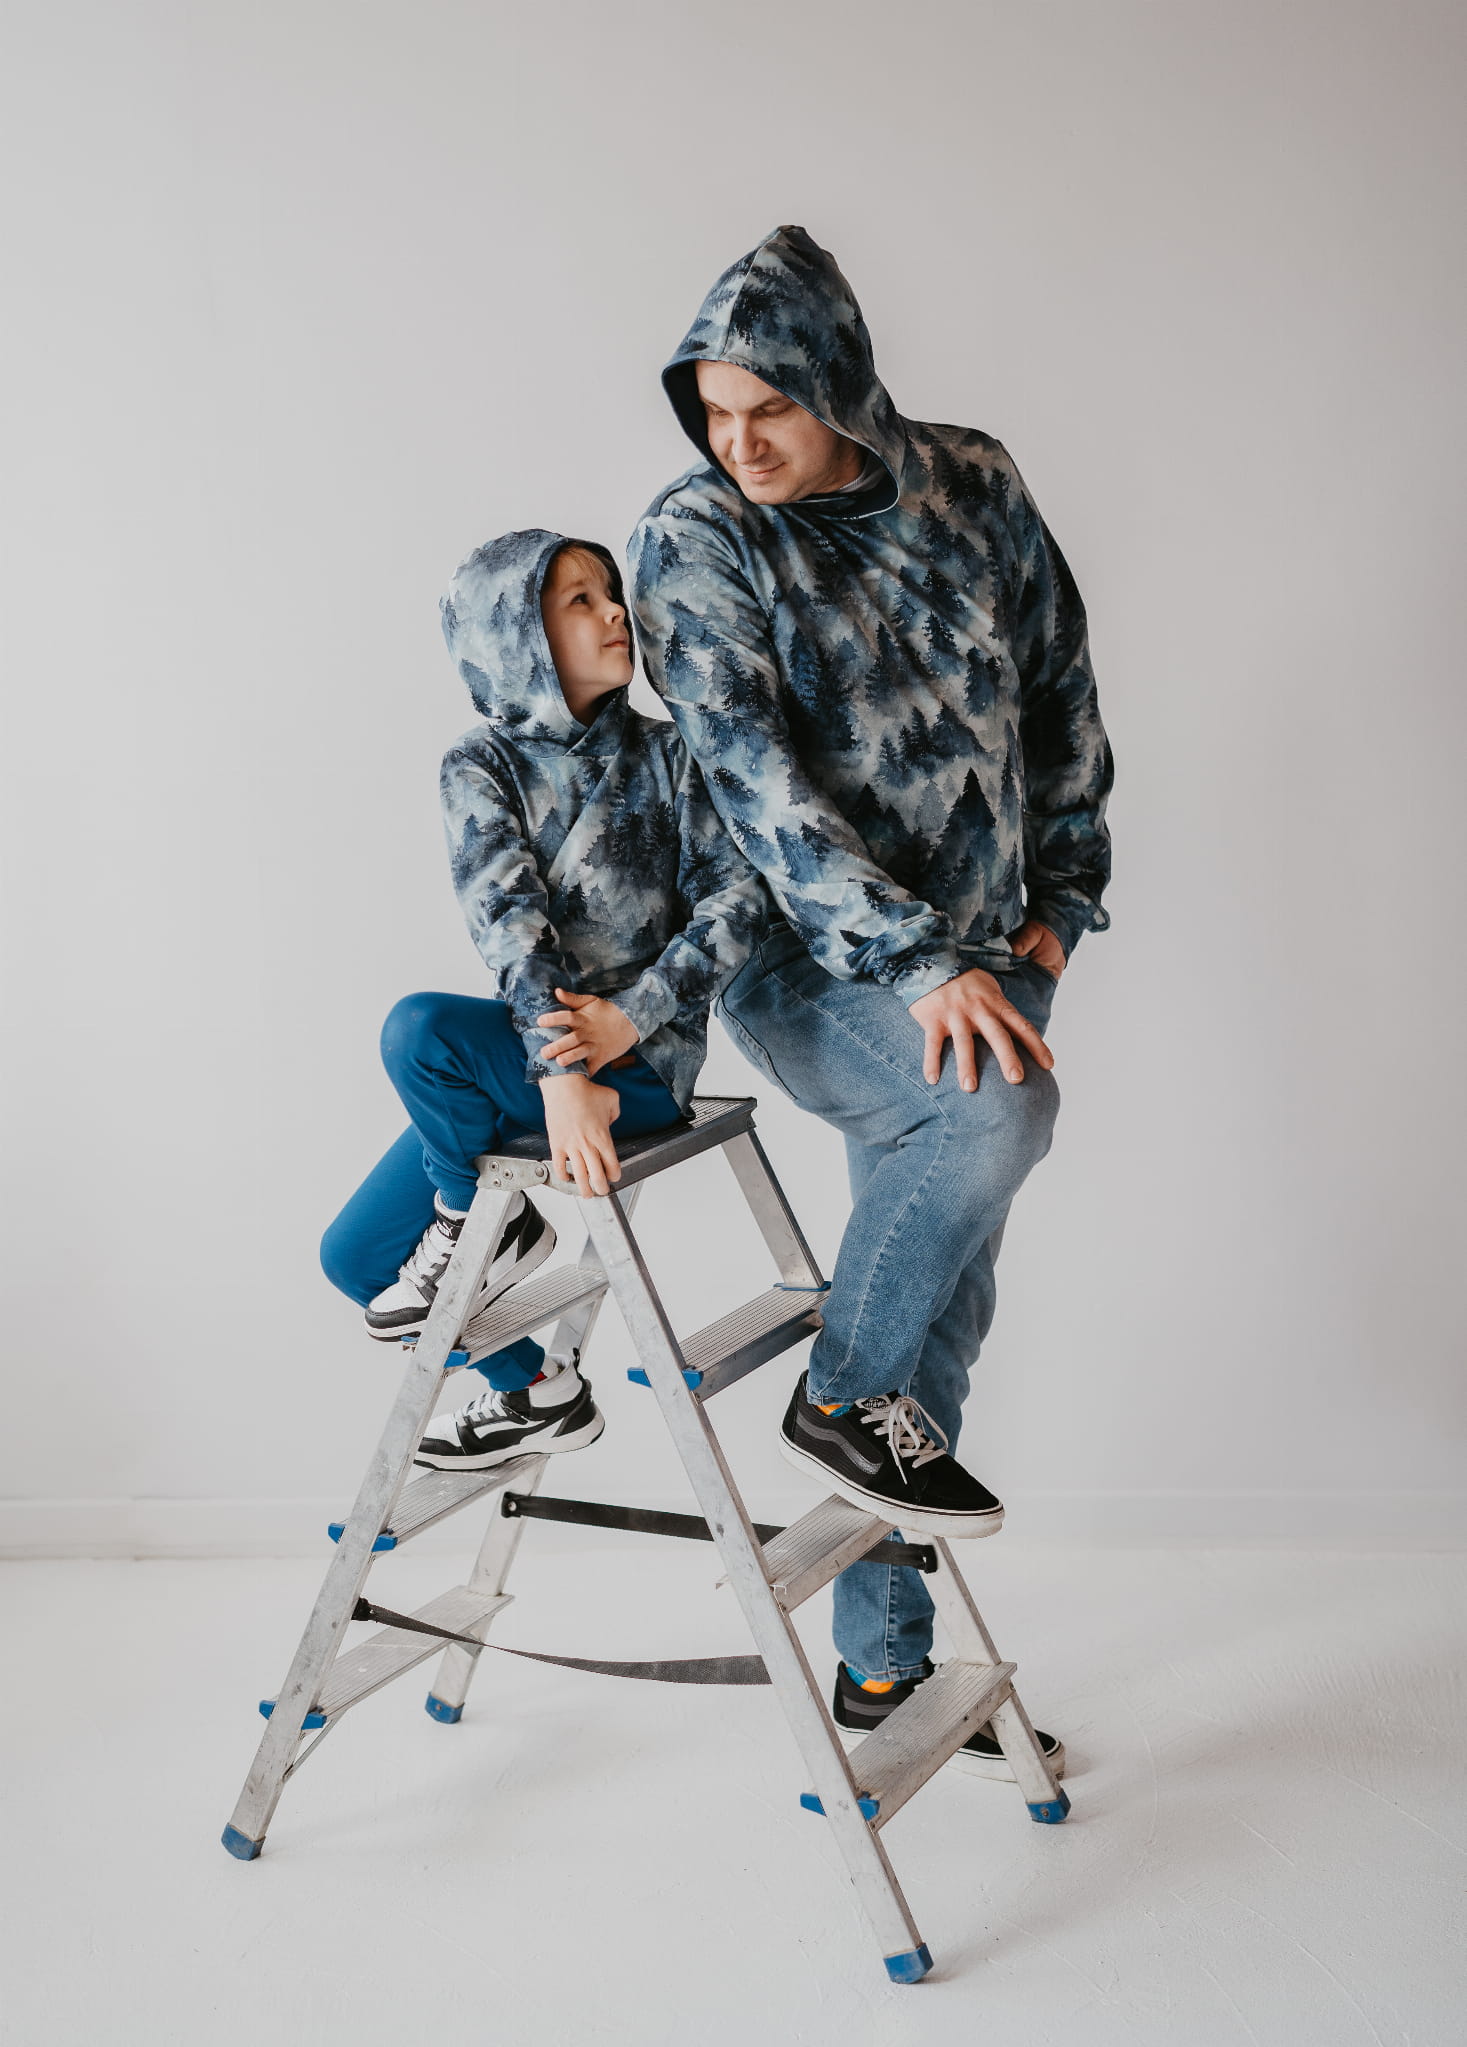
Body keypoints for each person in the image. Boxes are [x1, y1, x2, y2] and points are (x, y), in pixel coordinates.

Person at [631, 226, 1112, 1777]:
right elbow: (752, 787)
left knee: (941, 1303)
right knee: (991, 1120)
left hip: (985, 953)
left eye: (765, 405)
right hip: (806, 958)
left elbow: (1057, 687)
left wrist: (1058, 907)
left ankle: (883, 1664)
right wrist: (915, 961)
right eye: (711, 412)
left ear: (836, 381)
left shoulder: (969, 481)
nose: (737, 441)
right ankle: (837, 1393)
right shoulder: (696, 536)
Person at [320, 530, 767, 1472]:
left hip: (639, 1071)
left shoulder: (673, 754)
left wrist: (627, 1017)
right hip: (545, 1068)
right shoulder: (480, 764)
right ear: (515, 635)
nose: (614, 612)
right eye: (579, 600)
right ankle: (539, 1390)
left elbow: (738, 905)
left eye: (611, 592)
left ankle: (479, 1223)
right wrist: (561, 1075)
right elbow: (508, 924)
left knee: (419, 1030)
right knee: (355, 1258)